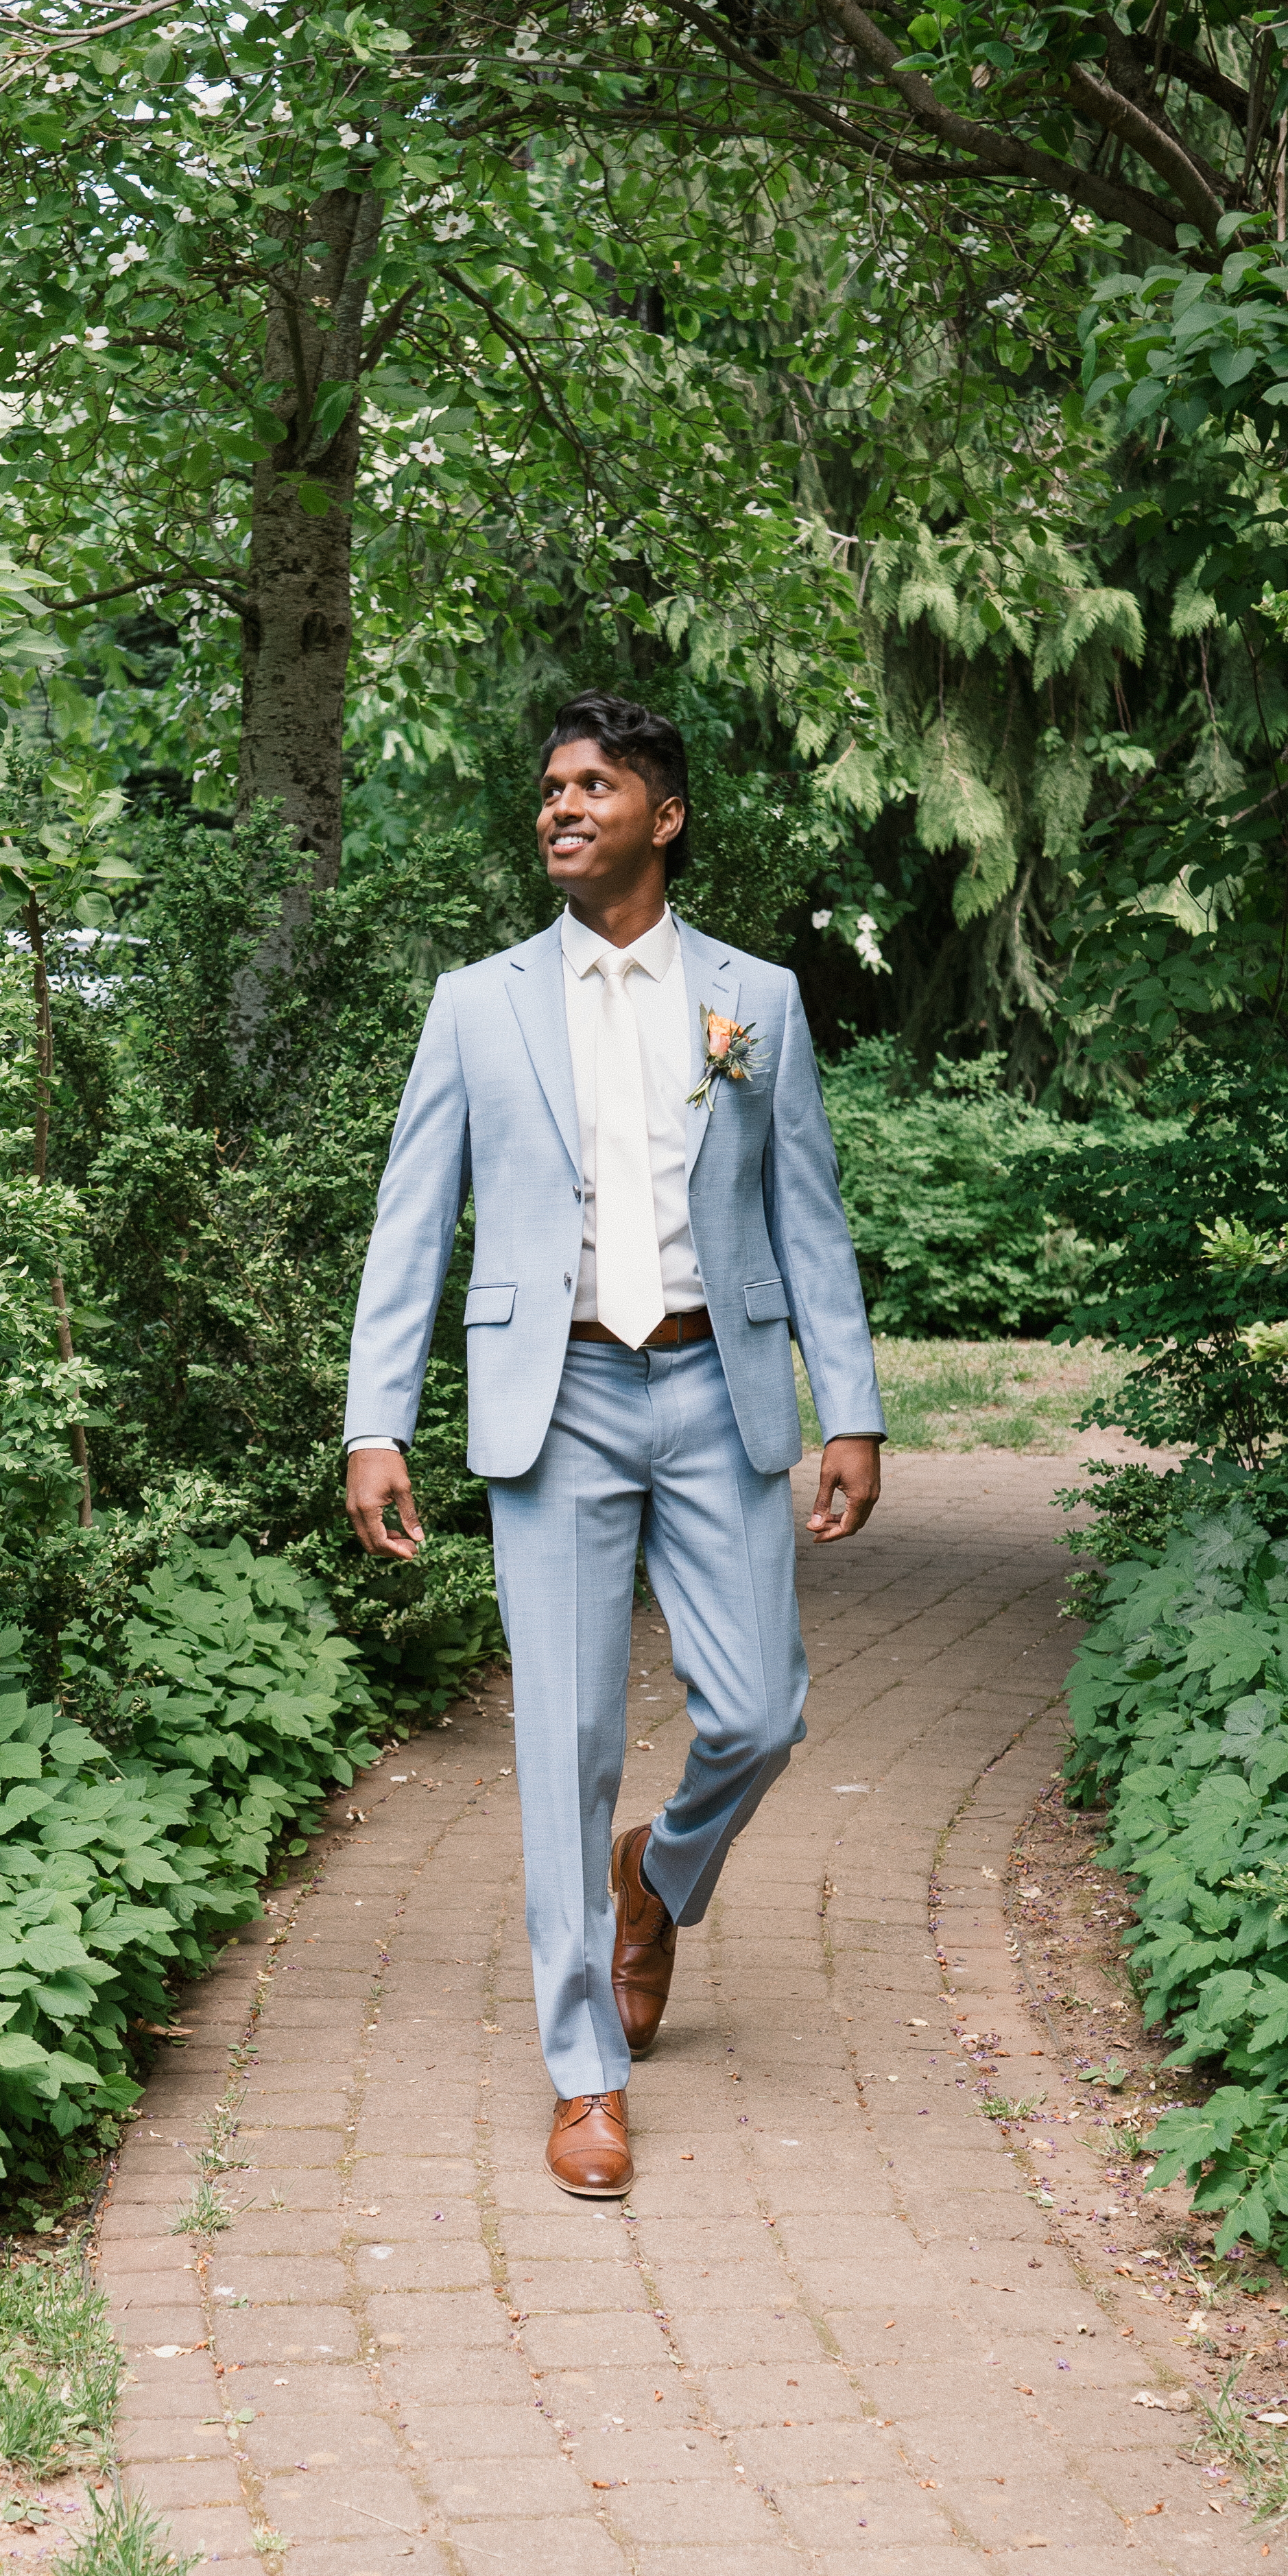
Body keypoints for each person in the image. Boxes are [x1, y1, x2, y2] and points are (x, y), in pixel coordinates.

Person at [343, 694, 885, 2198]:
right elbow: (411, 1225)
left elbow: (806, 1215)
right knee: (564, 1744)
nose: (560, 808)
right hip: (555, 1399)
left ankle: (658, 1872)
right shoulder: (477, 1004)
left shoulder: (754, 999)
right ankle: (584, 2075)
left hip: (718, 1388)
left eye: (594, 786)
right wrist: (373, 1419)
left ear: (665, 815)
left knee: (762, 1711)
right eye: (549, 787)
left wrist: (850, 1405)